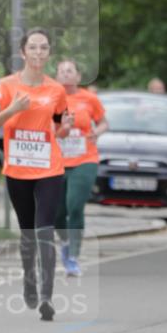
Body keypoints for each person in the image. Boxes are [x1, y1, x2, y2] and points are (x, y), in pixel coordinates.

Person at [0, 28, 73, 322]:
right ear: (23, 53)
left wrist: (65, 128)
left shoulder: (56, 90)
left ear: (49, 53)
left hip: (49, 167)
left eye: (43, 48)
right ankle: (28, 279)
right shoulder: (7, 86)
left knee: (44, 230)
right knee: (28, 233)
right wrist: (13, 108)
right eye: (32, 48)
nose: (38, 53)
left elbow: (59, 126)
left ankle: (47, 296)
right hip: (18, 168)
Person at [55, 59, 108, 275]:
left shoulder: (89, 99)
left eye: (70, 71)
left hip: (85, 159)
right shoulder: (51, 99)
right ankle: (66, 242)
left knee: (75, 206)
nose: (66, 75)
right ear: (57, 76)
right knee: (57, 213)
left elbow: (104, 122)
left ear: (78, 76)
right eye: (62, 71)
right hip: (57, 161)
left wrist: (98, 131)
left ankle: (74, 256)